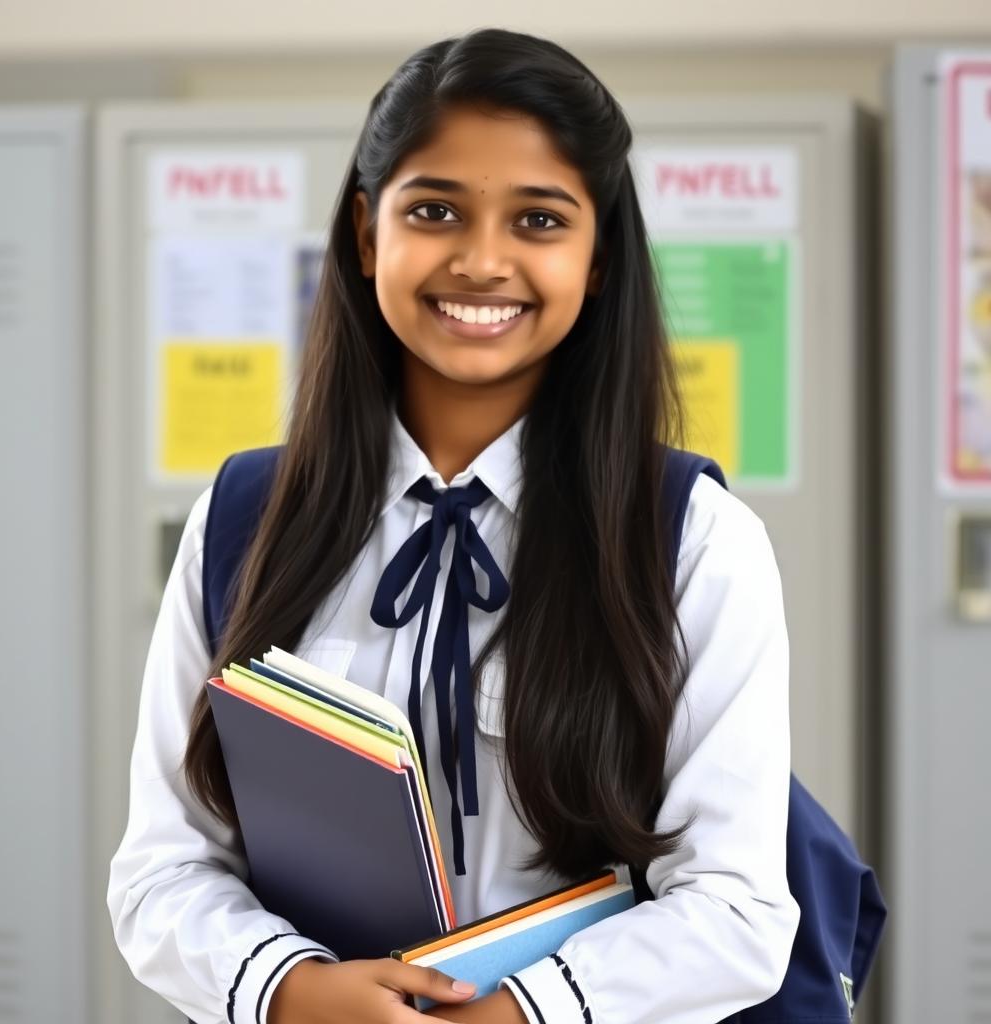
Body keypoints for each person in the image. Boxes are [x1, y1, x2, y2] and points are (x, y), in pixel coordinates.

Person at [107, 26, 800, 1024]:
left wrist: (524, 1011)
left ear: (599, 255)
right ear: (364, 231)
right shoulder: (245, 516)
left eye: (538, 220)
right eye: (434, 210)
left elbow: (736, 910)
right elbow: (163, 867)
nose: (482, 262)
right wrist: (295, 989)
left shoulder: (691, 540)